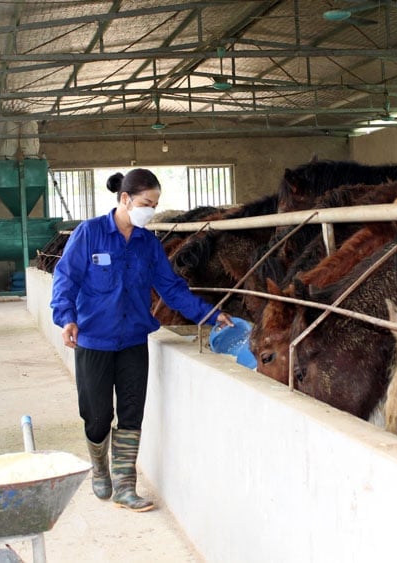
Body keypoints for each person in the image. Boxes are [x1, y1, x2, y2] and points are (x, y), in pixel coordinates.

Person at [50, 168, 233, 512]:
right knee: (97, 415)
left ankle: (124, 485)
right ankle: (100, 466)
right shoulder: (89, 234)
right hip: (94, 339)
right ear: (125, 199)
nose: (151, 210)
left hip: (134, 338)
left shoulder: (149, 244)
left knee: (132, 413)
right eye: (147, 203)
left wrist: (207, 315)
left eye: (156, 204)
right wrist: (67, 317)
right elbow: (65, 278)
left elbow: (171, 288)